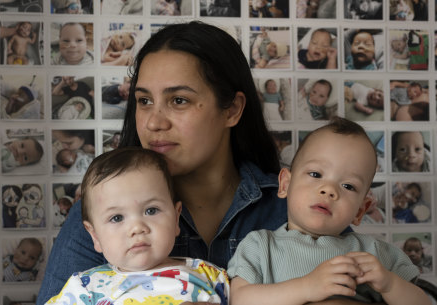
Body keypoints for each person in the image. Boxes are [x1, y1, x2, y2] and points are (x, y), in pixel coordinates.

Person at [37, 21, 288, 305]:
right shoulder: (102, 211)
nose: (154, 122)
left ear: (232, 109)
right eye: (144, 101)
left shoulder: (292, 207)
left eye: (179, 100)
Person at [228, 117, 430, 305]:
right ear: (285, 185)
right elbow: (239, 299)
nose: (329, 190)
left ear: (361, 210)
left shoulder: (375, 254)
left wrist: (391, 285)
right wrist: (307, 287)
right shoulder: (260, 246)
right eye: (316, 174)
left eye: (348, 186)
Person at [45, 147, 229, 305]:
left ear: (175, 218)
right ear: (95, 236)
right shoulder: (84, 287)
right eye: (117, 218)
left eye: (151, 211)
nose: (137, 228)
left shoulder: (211, 276)